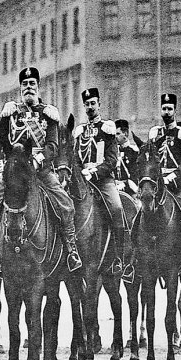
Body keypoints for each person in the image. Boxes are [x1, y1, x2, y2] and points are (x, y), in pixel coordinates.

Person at [0, 66, 82, 279]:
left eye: (32, 84)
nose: (28, 88)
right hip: (13, 172)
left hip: (40, 172)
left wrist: (39, 158)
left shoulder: (48, 114)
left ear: (38, 87)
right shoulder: (10, 113)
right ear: (21, 87)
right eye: (25, 84)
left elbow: (52, 145)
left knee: (66, 204)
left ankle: (71, 251)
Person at [124, 93, 181, 279]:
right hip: (158, 185)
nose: (166, 112)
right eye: (164, 109)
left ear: (175, 111)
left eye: (170, 109)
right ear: (161, 110)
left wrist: (173, 177)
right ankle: (133, 259)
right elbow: (150, 159)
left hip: (178, 185)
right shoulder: (154, 134)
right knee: (139, 215)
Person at [73, 88, 126, 276]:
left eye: (92, 103)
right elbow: (75, 159)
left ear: (99, 104)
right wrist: (80, 173)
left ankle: (120, 259)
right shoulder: (80, 132)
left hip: (103, 181)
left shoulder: (107, 129)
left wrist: (94, 173)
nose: (90, 107)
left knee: (117, 208)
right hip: (82, 181)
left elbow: (112, 160)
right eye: (87, 104)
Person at [114, 119, 140, 197]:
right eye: (114, 134)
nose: (115, 137)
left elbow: (135, 176)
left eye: (118, 134)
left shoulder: (134, 152)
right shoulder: (113, 152)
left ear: (125, 133)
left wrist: (124, 184)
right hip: (114, 188)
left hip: (131, 190)